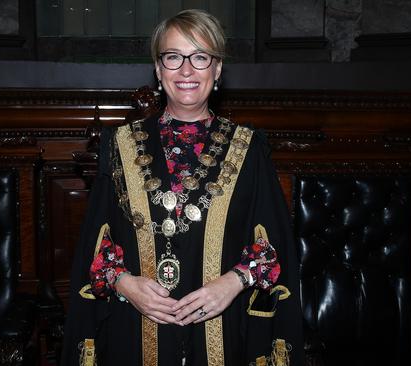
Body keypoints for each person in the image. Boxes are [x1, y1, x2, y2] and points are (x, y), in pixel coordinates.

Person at [61, 9, 304, 366]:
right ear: (158, 70)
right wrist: (125, 283)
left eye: (200, 57)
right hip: (135, 326)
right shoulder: (119, 145)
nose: (187, 70)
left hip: (223, 328)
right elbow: (95, 244)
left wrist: (233, 283)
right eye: (174, 57)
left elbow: (274, 245)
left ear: (217, 70)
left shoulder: (249, 148)